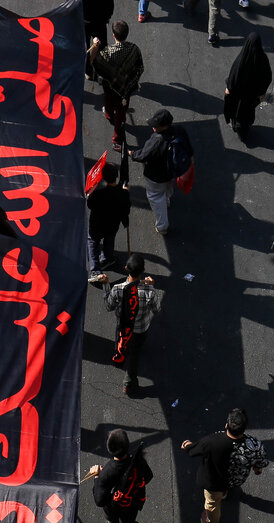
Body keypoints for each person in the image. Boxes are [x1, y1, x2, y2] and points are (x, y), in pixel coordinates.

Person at [181, 407, 269, 523]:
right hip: (235, 480)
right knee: (225, 488)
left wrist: (187, 445)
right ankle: (225, 492)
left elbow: (193, 450)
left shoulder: (213, 441)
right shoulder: (255, 445)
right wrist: (257, 469)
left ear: (226, 425)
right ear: (244, 428)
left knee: (212, 505)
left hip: (215, 482)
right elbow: (259, 465)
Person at [103, 254, 163, 395]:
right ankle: (128, 382)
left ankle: (120, 355)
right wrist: (152, 286)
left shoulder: (118, 289)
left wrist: (106, 284)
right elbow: (157, 309)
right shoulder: (148, 291)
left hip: (123, 328)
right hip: (140, 330)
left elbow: (108, 306)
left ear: (126, 269)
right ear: (143, 270)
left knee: (123, 344)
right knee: (135, 355)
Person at [88, 428, 153, 523]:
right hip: (131, 503)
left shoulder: (107, 472)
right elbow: (148, 476)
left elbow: (99, 500)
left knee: (110, 513)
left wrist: (97, 477)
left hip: (113, 504)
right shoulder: (138, 461)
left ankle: (112, 520)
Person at [129, 109, 191, 235]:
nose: (153, 127)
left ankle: (162, 226)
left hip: (156, 175)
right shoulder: (179, 131)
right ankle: (167, 200)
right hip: (171, 171)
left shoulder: (157, 140)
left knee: (155, 197)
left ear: (164, 126)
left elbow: (143, 155)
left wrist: (130, 153)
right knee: (168, 187)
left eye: (156, 125)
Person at [88, 21, 143, 151]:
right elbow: (139, 67)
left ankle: (108, 114)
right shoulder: (134, 49)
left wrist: (95, 47)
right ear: (127, 34)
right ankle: (117, 139)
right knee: (121, 113)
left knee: (108, 101)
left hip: (109, 87)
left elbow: (92, 64)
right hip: (124, 91)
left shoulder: (105, 53)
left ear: (114, 35)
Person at [223, 33, 272, 138]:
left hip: (238, 97)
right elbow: (268, 77)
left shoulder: (241, 59)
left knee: (236, 112)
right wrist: (261, 92)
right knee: (247, 114)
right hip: (251, 98)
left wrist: (229, 88)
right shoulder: (263, 59)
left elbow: (233, 77)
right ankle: (244, 130)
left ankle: (237, 126)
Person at [86, 163, 130, 277]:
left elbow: (90, 205)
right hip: (113, 224)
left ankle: (96, 271)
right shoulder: (123, 193)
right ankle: (108, 259)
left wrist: (90, 194)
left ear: (102, 177)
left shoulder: (97, 193)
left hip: (97, 224)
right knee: (109, 240)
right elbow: (126, 208)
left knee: (92, 242)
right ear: (117, 175)